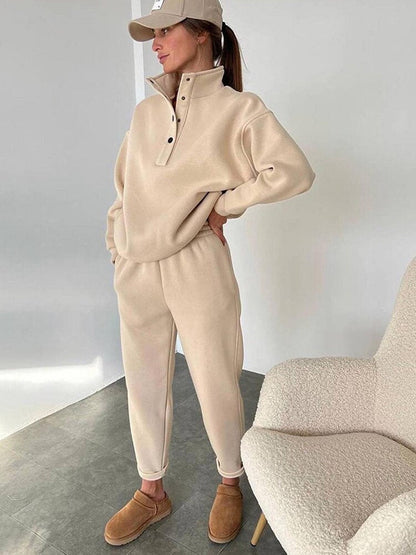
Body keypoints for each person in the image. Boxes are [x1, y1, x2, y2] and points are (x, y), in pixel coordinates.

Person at [103, 0, 316, 547]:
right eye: (151, 33)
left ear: (202, 33)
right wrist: (117, 244)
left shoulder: (239, 109)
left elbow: (293, 171)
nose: (155, 42)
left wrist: (224, 206)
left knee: (215, 376)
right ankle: (151, 490)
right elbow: (124, 188)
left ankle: (230, 481)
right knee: (144, 382)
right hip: (137, 266)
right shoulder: (145, 114)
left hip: (196, 261)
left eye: (165, 29)